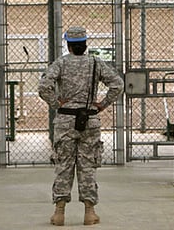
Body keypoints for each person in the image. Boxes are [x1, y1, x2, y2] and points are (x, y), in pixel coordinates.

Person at [38, 26, 124, 226]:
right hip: (90, 120)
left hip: (65, 120)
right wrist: (102, 104)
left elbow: (43, 86)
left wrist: (56, 102)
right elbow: (117, 84)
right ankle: (89, 212)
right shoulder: (96, 63)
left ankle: (59, 213)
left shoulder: (60, 63)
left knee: (64, 165)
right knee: (87, 166)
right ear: (85, 45)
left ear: (68, 44)